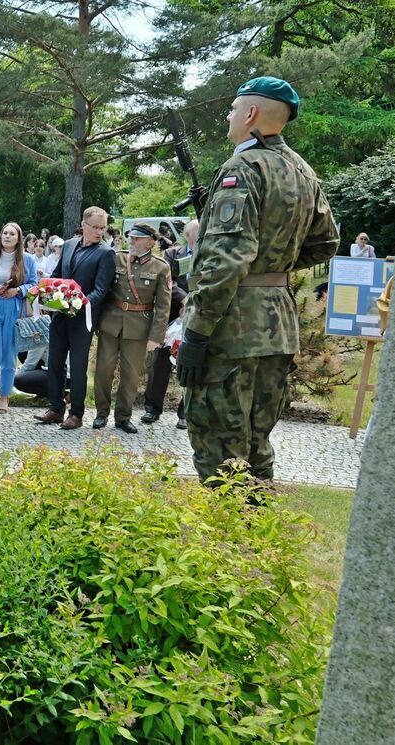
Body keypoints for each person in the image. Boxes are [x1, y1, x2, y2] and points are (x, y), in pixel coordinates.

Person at [177, 76, 339, 487]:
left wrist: (195, 333)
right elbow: (326, 243)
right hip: (277, 326)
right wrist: (272, 268)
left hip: (232, 328)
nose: (229, 116)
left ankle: (227, 541)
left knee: (219, 442)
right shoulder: (302, 171)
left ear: (251, 113)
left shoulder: (243, 168)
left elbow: (226, 261)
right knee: (255, 441)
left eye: (233, 108)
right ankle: (257, 535)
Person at [35, 207, 116, 429]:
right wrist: (45, 293)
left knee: (78, 367)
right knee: (55, 362)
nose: (100, 232)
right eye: (96, 227)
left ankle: (76, 414)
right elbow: (57, 275)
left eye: (103, 227)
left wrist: (77, 305)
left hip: (84, 317)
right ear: (83, 225)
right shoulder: (69, 245)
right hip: (60, 314)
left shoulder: (106, 252)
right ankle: (55, 408)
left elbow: (101, 290)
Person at [92, 223, 172, 434]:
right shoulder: (118, 258)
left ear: (150, 242)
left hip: (139, 327)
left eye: (137, 238)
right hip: (111, 323)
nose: (132, 241)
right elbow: (103, 289)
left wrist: (156, 336)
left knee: (130, 375)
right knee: (103, 371)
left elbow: (163, 306)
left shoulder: (160, 267)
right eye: (131, 238)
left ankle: (123, 417)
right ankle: (101, 413)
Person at [143, 219, 197, 429]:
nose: (199, 237)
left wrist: (194, 303)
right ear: (186, 234)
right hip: (173, 317)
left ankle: (186, 413)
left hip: (199, 317)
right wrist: (184, 299)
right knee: (160, 365)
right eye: (195, 233)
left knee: (192, 365)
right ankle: (152, 409)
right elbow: (168, 282)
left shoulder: (211, 255)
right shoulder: (172, 254)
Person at [0, 222, 37, 414]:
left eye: (12, 234)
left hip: (14, 309)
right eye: (5, 233)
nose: (7, 236)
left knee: (9, 355)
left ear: (18, 238)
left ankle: (4, 397)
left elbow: (34, 284)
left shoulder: (27, 259)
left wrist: (17, 290)